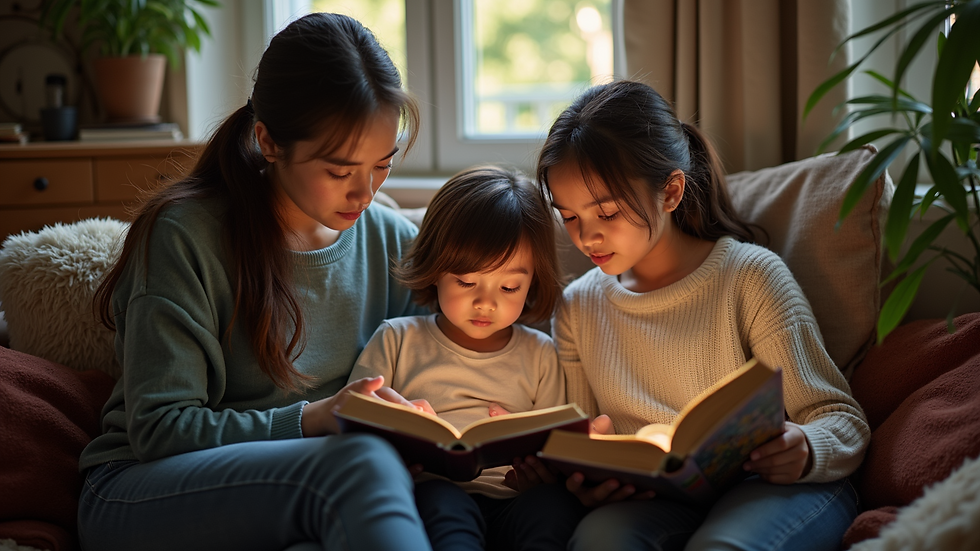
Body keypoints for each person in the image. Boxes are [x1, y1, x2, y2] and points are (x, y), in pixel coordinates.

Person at [77, 13, 436, 551]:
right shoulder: (184, 236)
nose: (364, 193)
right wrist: (316, 419)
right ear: (268, 141)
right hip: (141, 490)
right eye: (339, 171)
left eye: (381, 166)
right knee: (358, 465)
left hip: (301, 490)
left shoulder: (390, 241)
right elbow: (159, 429)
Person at [535, 80, 871, 551]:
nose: (586, 237)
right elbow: (585, 435)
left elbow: (840, 417)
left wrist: (808, 447)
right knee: (599, 540)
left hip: (775, 486)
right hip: (661, 496)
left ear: (670, 192)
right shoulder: (578, 306)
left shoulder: (750, 278)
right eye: (569, 217)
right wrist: (583, 479)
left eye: (606, 212)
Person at [348, 165, 585, 551]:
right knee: (444, 508)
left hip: (515, 499)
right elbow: (355, 426)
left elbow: (557, 448)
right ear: (435, 270)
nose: (486, 302)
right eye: (466, 282)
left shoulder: (540, 352)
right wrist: (402, 429)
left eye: (509, 286)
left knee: (552, 508)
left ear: (532, 283)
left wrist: (538, 470)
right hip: (436, 492)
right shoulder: (397, 339)